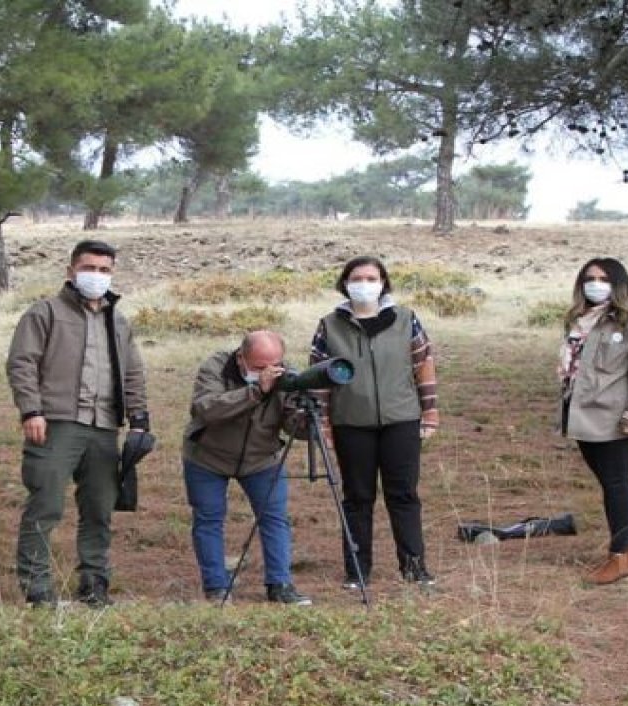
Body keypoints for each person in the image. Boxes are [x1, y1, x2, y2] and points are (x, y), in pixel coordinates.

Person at [6, 240, 149, 608]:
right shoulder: (45, 313)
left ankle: (94, 583)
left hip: (104, 427)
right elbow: (22, 364)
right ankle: (37, 588)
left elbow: (133, 371)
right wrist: (31, 410)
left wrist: (139, 419)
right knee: (46, 504)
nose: (96, 276)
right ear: (71, 271)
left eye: (104, 270)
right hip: (57, 423)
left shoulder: (117, 320)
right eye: (89, 268)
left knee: (100, 509)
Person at [309, 256, 439, 589]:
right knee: (357, 498)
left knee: (404, 494)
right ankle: (357, 571)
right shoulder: (329, 325)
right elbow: (318, 379)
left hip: (401, 419)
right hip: (351, 422)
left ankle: (414, 566)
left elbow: (423, 365)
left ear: (383, 283)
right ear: (345, 283)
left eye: (371, 278)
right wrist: (322, 425)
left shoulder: (405, 319)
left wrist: (430, 412)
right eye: (357, 278)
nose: (364, 284)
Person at [183, 330, 312, 606]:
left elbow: (292, 427)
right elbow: (205, 408)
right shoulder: (216, 366)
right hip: (208, 457)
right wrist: (255, 391)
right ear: (241, 358)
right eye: (258, 367)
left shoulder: (287, 375)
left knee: (275, 518)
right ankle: (216, 587)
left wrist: (308, 418)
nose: (269, 372)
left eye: (274, 364)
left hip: (261, 459)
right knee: (209, 518)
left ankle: (280, 585)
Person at [559, 258, 628, 585]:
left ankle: (621, 556)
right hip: (582, 411)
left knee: (617, 483)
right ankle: (627, 553)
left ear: (617, 283)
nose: (596, 283)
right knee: (608, 483)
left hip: (615, 415)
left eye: (603, 278)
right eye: (589, 278)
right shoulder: (579, 319)